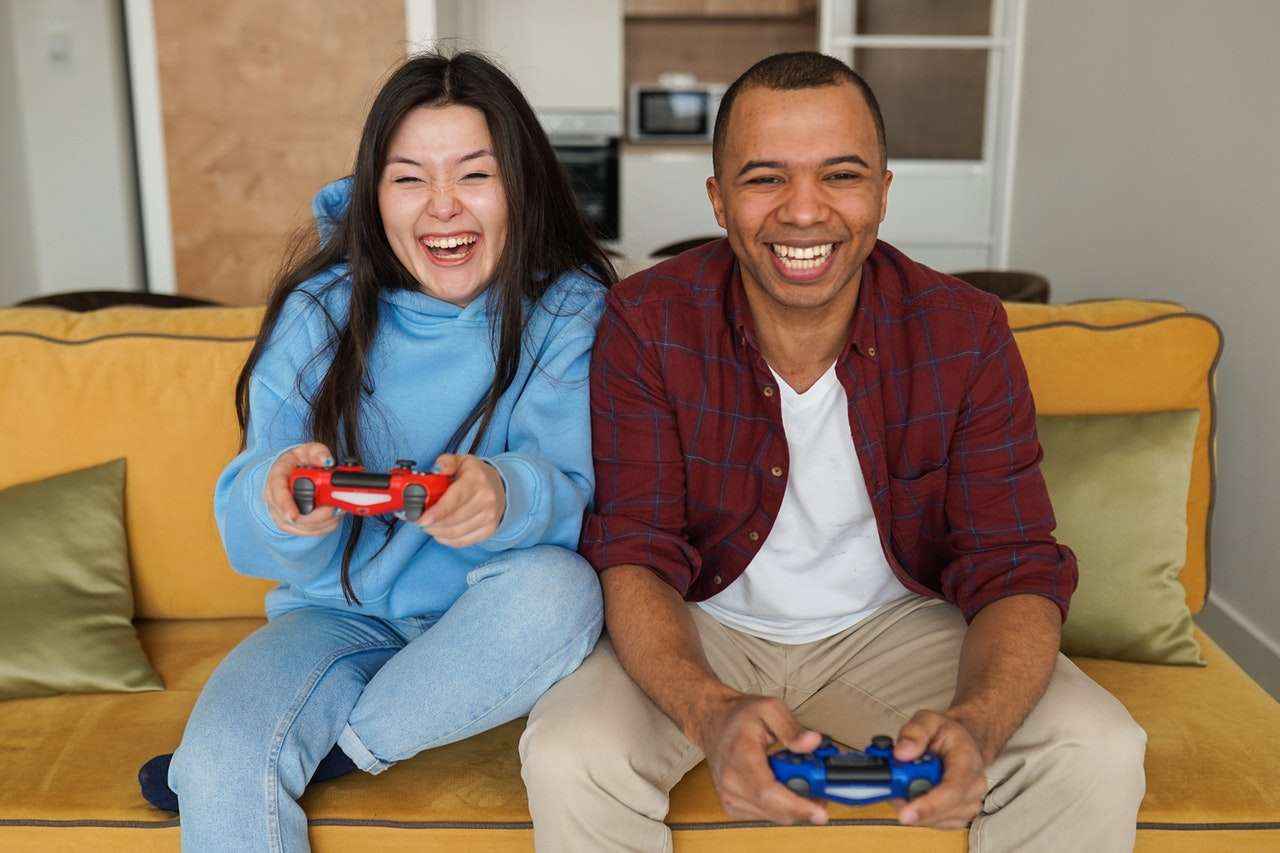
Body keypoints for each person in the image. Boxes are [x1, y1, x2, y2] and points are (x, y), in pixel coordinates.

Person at [519, 51, 1147, 852]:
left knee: (1096, 747)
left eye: (841, 175)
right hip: (702, 620)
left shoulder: (967, 331)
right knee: (570, 753)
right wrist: (710, 710)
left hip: (897, 625)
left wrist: (979, 723)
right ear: (718, 198)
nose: (804, 211)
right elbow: (633, 552)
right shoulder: (648, 321)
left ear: (883, 191)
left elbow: (1013, 562)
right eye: (765, 177)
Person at [136, 51, 613, 852]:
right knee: (218, 757)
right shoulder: (321, 309)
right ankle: (315, 740)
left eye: (473, 175)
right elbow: (246, 532)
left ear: (519, 186)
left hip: (490, 614)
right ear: (375, 194)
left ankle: (337, 750)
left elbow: (578, 492)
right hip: (336, 618)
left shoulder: (569, 312)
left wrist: (505, 493)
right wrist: (278, 496)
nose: (441, 208)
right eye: (408, 178)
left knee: (561, 592)